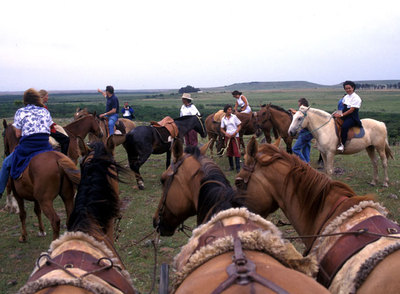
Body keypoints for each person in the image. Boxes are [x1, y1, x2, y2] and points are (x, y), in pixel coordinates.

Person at [0, 88, 54, 197]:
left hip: (28, 146)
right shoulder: (44, 110)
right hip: (45, 145)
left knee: (6, 163)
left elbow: (18, 135)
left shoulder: (20, 111)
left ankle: (0, 191)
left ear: (25, 100)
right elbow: (50, 128)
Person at [39, 89, 70, 155]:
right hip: (46, 129)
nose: (48, 97)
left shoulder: (36, 106)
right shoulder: (43, 108)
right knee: (66, 139)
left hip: (40, 128)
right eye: (47, 96)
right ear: (43, 97)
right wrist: (52, 126)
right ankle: (63, 156)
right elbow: (47, 122)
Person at [333, 80, 362, 152]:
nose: (348, 90)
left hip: (352, 117)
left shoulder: (356, 98)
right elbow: (342, 108)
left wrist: (341, 115)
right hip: (344, 115)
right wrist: (337, 114)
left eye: (349, 88)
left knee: (344, 127)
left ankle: (342, 145)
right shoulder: (346, 97)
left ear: (353, 88)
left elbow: (351, 110)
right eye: (346, 88)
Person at [220, 104, 242, 173]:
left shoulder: (234, 117)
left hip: (235, 136)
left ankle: (238, 167)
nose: (230, 111)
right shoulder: (223, 119)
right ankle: (231, 166)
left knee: (236, 151)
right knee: (229, 151)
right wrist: (226, 133)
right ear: (225, 111)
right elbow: (221, 128)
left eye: (231, 109)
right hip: (228, 137)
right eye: (229, 110)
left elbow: (239, 126)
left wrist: (235, 132)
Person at [292, 98, 313, 163]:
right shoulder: (309, 111)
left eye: (299, 104)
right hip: (309, 134)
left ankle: (304, 163)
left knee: (295, 149)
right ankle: (308, 164)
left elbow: (301, 116)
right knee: (306, 151)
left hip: (304, 134)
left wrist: (295, 113)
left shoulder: (304, 112)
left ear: (302, 105)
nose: (298, 105)